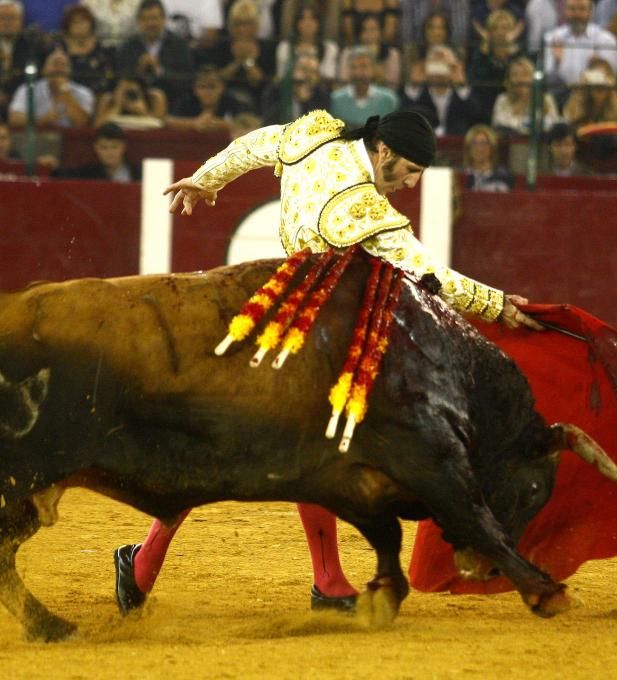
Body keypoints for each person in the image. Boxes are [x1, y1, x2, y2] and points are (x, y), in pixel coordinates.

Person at [113, 108, 543, 615]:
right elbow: (433, 276)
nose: (412, 182)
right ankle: (155, 561)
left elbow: (257, 145)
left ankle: (304, 578)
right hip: (306, 325)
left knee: (244, 445)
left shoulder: (315, 138)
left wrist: (207, 180)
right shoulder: (361, 209)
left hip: (280, 305)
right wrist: (500, 306)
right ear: (383, 151)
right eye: (408, 170)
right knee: (288, 446)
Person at [116, 0, 196, 104]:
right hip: (134, 102)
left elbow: (187, 81)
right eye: (146, 19)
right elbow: (120, 79)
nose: (151, 24)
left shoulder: (179, 45)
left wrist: (160, 70)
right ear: (138, 21)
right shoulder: (128, 47)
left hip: (173, 102)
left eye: (154, 18)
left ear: (164, 19)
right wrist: (138, 70)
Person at [541, 0, 617, 98]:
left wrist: (597, 67)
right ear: (565, 11)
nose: (577, 14)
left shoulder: (606, 40)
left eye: (582, 9)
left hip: (593, 98)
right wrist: (556, 63)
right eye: (572, 9)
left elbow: (611, 79)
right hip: (560, 96)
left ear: (591, 12)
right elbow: (546, 78)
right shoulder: (552, 38)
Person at [401, 44, 481, 136]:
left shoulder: (463, 95)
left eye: (443, 63)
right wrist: (414, 85)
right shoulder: (416, 94)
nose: (438, 69)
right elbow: (405, 116)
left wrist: (461, 85)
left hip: (456, 144)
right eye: (434, 63)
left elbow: (475, 116)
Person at [7, 49, 94, 128]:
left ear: (70, 71)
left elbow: (82, 123)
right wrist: (42, 121)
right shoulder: (28, 89)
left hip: (71, 140)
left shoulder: (83, 92)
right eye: (55, 64)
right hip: (38, 138)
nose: (59, 69)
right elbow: (14, 119)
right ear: (44, 69)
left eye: (64, 65)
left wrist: (64, 90)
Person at [467, 8, 524, 119]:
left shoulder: (519, 55)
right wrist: (484, 52)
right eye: (495, 28)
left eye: (505, 28)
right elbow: (475, 81)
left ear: (512, 31)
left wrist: (512, 53)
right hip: (484, 109)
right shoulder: (481, 55)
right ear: (489, 32)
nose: (500, 32)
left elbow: (517, 79)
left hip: (512, 109)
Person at [53, 4, 115, 95]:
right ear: (68, 26)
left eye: (83, 21)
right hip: (67, 95)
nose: (79, 26)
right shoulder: (58, 51)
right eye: (75, 22)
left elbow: (110, 76)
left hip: (99, 97)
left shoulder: (104, 51)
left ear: (91, 23)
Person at [490, 56, 561, 135]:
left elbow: (553, 124)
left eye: (524, 74)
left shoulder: (546, 99)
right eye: (515, 75)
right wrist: (522, 102)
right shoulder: (502, 99)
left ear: (533, 77)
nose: (520, 79)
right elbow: (500, 126)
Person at [329, 46, 398, 125]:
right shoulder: (336, 100)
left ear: (373, 69)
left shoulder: (388, 100)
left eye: (364, 67)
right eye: (354, 67)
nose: (358, 73)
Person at [260, 51, 331, 124]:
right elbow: (268, 120)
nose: (308, 75)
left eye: (313, 72)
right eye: (304, 69)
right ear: (294, 70)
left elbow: (320, 124)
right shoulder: (275, 89)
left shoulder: (322, 95)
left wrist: (305, 102)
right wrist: (291, 96)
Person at [276, 2, 339, 83]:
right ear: (297, 23)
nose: (308, 23)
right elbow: (281, 76)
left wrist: (312, 71)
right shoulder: (285, 47)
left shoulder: (329, 48)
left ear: (318, 23)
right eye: (303, 19)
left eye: (312, 19)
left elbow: (329, 77)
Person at [53, 121, 138, 180]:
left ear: (123, 146)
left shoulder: (138, 173)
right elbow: (64, 177)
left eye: (114, 147)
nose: (109, 152)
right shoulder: (87, 174)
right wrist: (54, 166)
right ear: (96, 148)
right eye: (104, 147)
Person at [338, 12, 401, 86]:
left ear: (380, 32)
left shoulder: (392, 54)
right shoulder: (348, 53)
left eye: (373, 29)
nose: (369, 34)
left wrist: (373, 61)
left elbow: (393, 82)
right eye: (365, 30)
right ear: (359, 34)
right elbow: (344, 80)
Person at [94, 74, 167, 127]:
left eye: (131, 92)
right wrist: (117, 106)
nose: (127, 95)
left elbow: (161, 126)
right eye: (124, 91)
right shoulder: (108, 99)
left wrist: (144, 113)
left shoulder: (153, 98)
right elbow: (97, 125)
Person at [460, 123, 514, 191]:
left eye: (483, 143)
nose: (479, 148)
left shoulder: (504, 176)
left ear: (492, 147)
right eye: (474, 143)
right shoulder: (460, 176)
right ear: (468, 149)